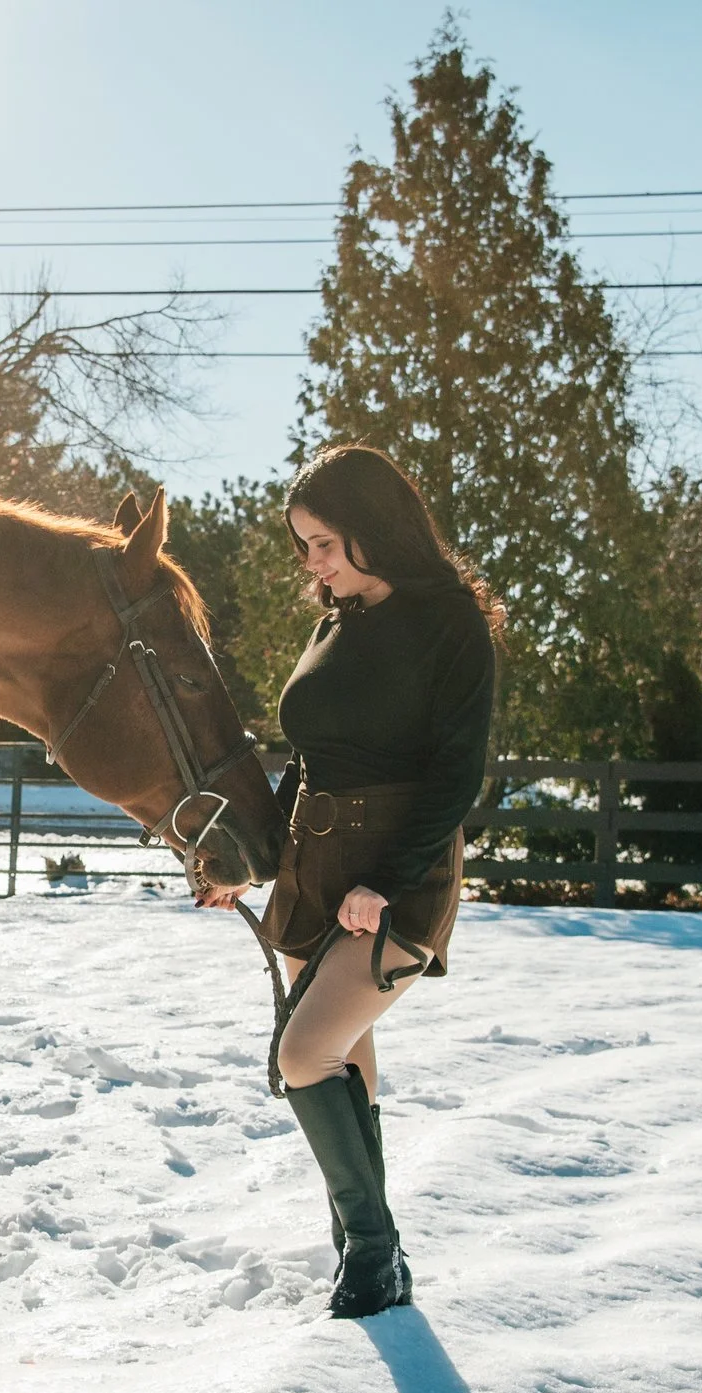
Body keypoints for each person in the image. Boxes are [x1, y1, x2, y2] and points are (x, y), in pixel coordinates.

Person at [206, 445, 499, 1319]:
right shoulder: (332, 623)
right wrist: (245, 865)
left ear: (375, 527)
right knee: (344, 1062)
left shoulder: (450, 622)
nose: (314, 564)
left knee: (303, 1053)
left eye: (326, 542)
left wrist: (384, 879)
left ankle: (373, 1253)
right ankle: (365, 1246)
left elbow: (456, 775)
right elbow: (311, 762)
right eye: (304, 546)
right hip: (312, 867)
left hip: (394, 876)